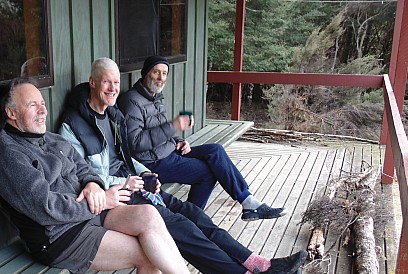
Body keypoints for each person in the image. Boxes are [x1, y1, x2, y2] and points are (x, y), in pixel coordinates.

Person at [0, 77, 249, 274]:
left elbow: (83, 167)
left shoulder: (49, 139)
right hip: (59, 235)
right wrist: (100, 200)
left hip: (89, 213)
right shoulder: (8, 155)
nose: (42, 110)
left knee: (148, 214)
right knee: (148, 254)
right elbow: (46, 209)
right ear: (11, 113)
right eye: (32, 105)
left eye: (42, 103)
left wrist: (92, 185)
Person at [58, 57, 306, 274]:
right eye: (106, 83)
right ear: (92, 82)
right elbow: (83, 175)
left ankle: (260, 263)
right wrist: (126, 182)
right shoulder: (74, 124)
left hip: (137, 183)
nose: (113, 89)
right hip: (116, 198)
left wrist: (143, 172)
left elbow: (125, 154)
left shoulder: (112, 116)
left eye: (116, 82)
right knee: (185, 227)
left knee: (195, 214)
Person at [117, 55, 287, 220]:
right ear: (146, 73)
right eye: (156, 72)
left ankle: (248, 201)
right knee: (207, 173)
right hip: (152, 163)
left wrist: (179, 141)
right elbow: (136, 143)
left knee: (215, 150)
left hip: (169, 151)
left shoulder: (155, 98)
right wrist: (174, 126)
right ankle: (192, 220)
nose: (161, 77)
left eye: (164, 73)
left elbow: (161, 131)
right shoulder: (132, 101)